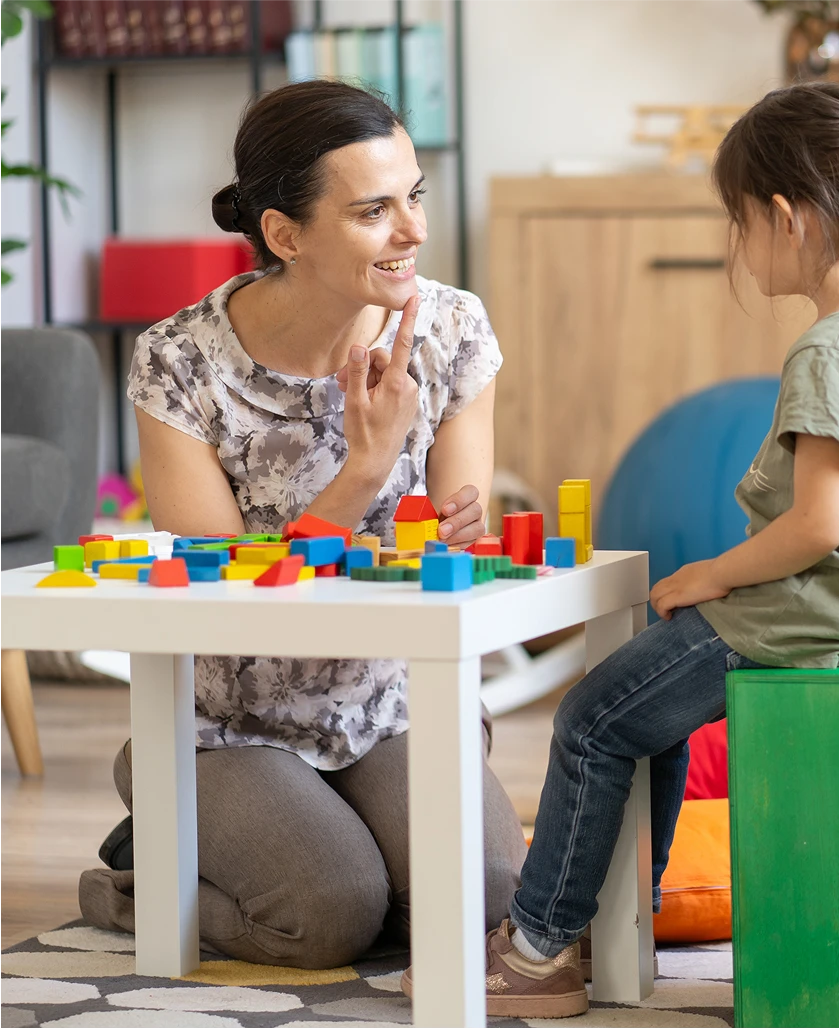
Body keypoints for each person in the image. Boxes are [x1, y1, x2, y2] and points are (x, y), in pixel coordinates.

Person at [415, 81, 839, 1019]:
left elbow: (815, 526)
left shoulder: (831, 351)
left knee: (590, 717)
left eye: (737, 221)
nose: (738, 245)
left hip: (807, 613)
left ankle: (544, 947)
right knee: (645, 712)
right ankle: (619, 913)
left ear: (786, 218)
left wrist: (710, 575)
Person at [78, 80, 527, 968]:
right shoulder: (178, 364)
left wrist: (464, 523)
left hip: (390, 701)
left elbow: (453, 538)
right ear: (284, 234)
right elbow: (229, 589)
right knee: (331, 916)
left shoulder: (450, 329)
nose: (413, 232)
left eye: (414, 197)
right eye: (374, 211)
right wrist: (366, 465)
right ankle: (138, 880)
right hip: (229, 718)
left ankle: (301, 839)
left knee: (481, 897)